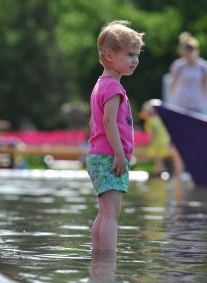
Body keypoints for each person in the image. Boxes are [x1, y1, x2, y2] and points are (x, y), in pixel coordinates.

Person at [86, 20, 144, 252]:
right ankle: (108, 265)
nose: (135, 60)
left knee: (105, 212)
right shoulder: (113, 88)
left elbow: (95, 122)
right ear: (109, 56)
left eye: (137, 55)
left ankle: (98, 261)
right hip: (110, 156)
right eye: (129, 54)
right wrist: (120, 155)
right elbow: (109, 122)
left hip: (98, 155)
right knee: (112, 214)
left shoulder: (101, 84)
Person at [139, 100, 184, 179]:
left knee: (158, 160)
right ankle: (174, 172)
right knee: (168, 156)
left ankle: (159, 173)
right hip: (165, 142)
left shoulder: (150, 121)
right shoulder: (159, 119)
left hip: (157, 144)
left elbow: (152, 135)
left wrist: (147, 143)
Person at [170, 32, 207, 113]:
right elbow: (173, 84)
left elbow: (206, 86)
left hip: (196, 104)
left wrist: (203, 100)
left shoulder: (204, 66)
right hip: (180, 103)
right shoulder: (178, 66)